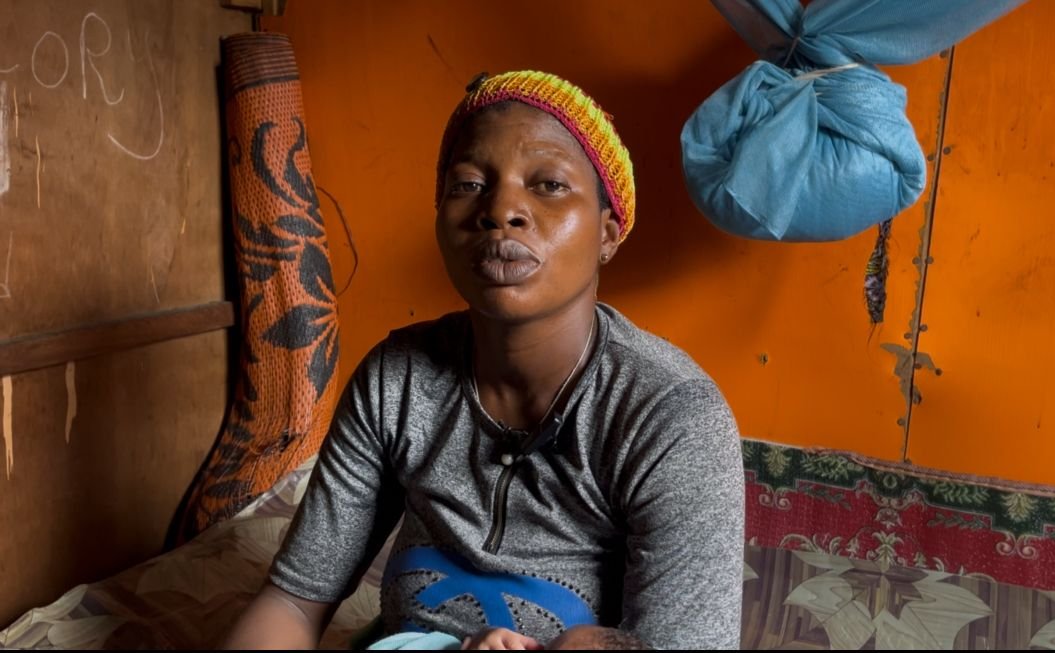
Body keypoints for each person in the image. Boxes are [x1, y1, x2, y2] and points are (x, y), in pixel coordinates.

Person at [222, 70, 744, 650]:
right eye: (468, 184)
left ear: (608, 233)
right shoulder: (397, 379)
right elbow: (294, 602)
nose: (502, 210)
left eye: (549, 185)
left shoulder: (670, 417)